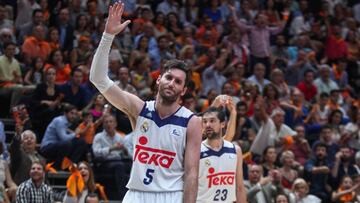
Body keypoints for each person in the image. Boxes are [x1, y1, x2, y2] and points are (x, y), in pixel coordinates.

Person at [89, 2, 202, 203]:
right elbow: (98, 79)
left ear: (183, 91)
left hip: (171, 196)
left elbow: (192, 173)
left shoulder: (191, 121)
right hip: (136, 194)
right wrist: (108, 36)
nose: (172, 84)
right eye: (168, 78)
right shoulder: (139, 109)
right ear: (159, 79)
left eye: (178, 82)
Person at [197, 107, 246, 202]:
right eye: (205, 121)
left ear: (223, 124)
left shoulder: (235, 150)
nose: (208, 125)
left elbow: (239, 187)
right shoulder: (196, 151)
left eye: (212, 121)